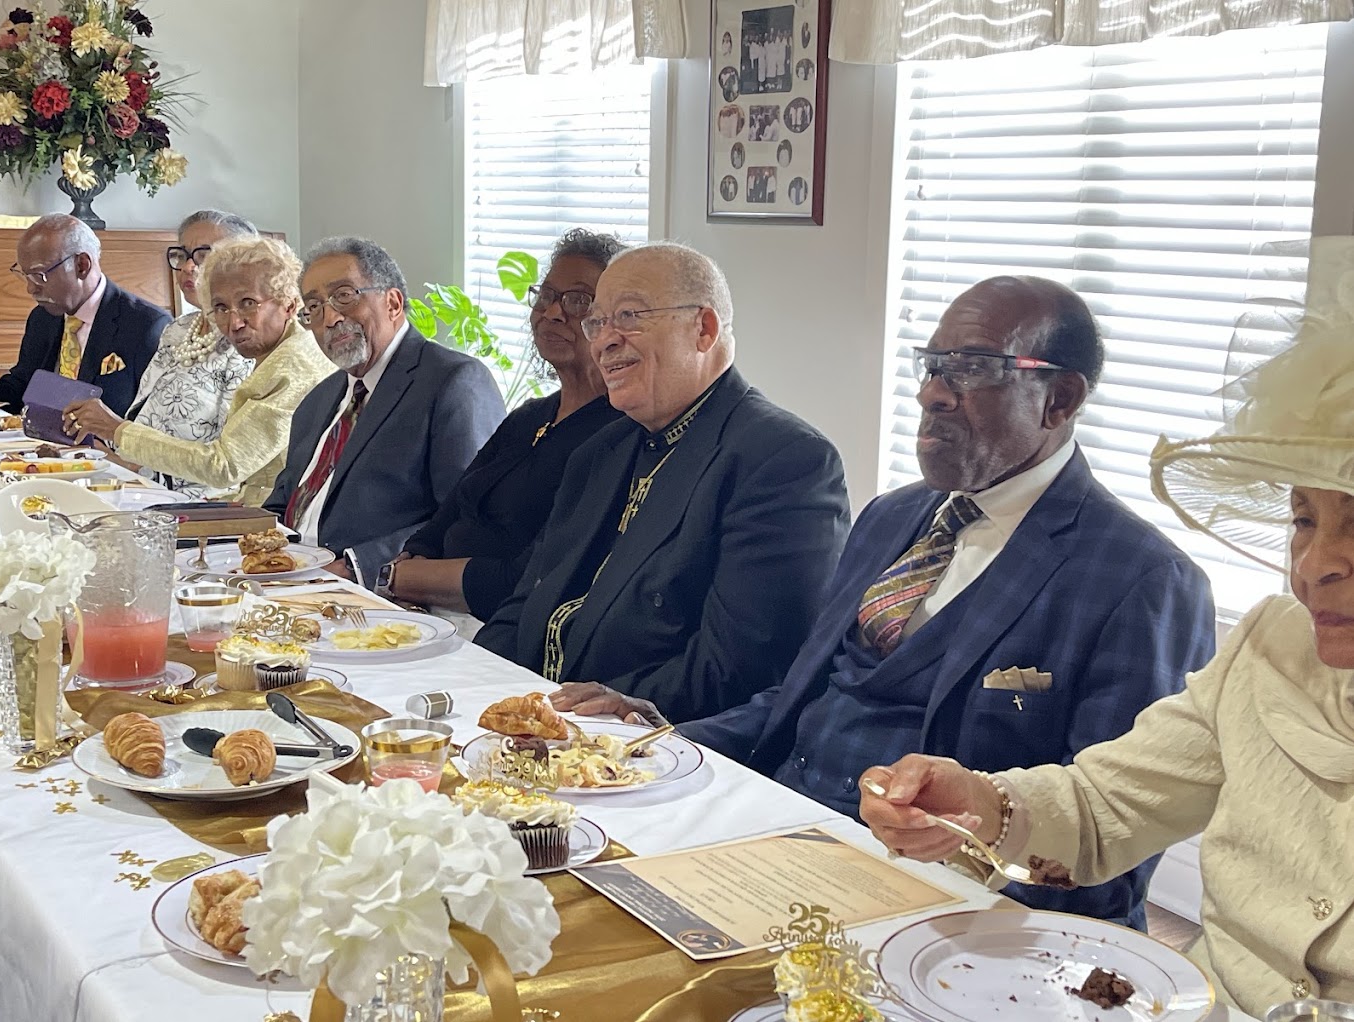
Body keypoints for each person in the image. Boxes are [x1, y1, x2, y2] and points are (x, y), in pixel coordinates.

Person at [552, 275, 1216, 929]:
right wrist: (653, 742)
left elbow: (1110, 850)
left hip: (935, 908)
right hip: (771, 825)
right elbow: (803, 701)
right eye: (932, 366)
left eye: (971, 369)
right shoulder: (894, 517)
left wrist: (939, 882)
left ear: (1060, 399)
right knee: (559, 885)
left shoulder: (1143, 581)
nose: (932, 393)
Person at [858, 242, 1354, 1015]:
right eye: (1302, 519)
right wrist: (978, 802)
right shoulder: (1272, 646)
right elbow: (1106, 805)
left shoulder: (1140, 577)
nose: (1315, 564)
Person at [475, 241, 851, 723]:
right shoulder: (600, 451)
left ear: (704, 329)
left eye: (629, 317)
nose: (604, 341)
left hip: (647, 742)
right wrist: (478, 688)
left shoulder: (784, 461)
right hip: (534, 723)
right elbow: (526, 602)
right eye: (597, 322)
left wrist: (578, 719)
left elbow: (739, 672)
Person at [385, 229, 626, 623]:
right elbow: (443, 520)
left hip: (501, 627)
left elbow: (526, 579)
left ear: (616, 322)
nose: (552, 313)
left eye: (578, 300)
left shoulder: (618, 435)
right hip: (424, 606)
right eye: (546, 295)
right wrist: (408, 577)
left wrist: (402, 579)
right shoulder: (528, 416)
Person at [264, 236, 505, 586]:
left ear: (392, 303)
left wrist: (354, 567)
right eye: (313, 307)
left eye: (343, 296)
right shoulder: (319, 399)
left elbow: (465, 518)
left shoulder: (452, 382)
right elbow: (284, 501)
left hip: (370, 590)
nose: (329, 318)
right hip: (287, 577)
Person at [64, 236, 333, 507]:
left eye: (248, 303)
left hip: (281, 519)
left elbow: (225, 466)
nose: (234, 323)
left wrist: (117, 430)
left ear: (289, 304)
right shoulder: (278, 353)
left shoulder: (294, 367)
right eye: (221, 308)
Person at [107, 210, 260, 497]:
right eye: (183, 255)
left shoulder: (246, 341)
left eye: (204, 254)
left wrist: (114, 431)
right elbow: (146, 419)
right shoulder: (179, 329)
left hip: (207, 504)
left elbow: (228, 467)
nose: (188, 267)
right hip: (143, 487)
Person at [0, 214, 169, 415]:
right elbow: (21, 387)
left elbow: (155, 420)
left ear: (82, 265)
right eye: (26, 276)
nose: (30, 289)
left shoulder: (148, 327)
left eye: (39, 276)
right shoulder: (42, 318)